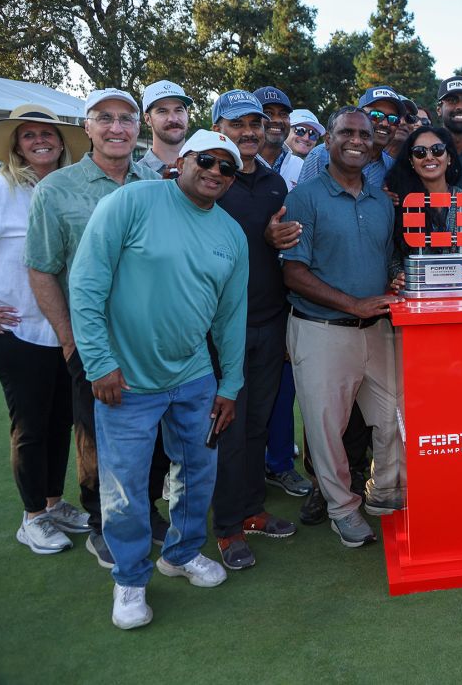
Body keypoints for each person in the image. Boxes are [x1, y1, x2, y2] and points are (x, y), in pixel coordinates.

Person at [69, 129, 249, 629]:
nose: (215, 172)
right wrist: (99, 363)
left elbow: (231, 318)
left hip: (194, 377)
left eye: (227, 168)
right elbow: (86, 282)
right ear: (184, 160)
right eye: (207, 161)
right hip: (124, 380)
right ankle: (129, 580)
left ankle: (182, 552)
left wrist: (228, 386)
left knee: (197, 471)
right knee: (124, 487)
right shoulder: (133, 201)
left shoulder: (231, 235)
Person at [25, 88, 160, 569]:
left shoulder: (153, 181)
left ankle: (145, 511)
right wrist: (68, 340)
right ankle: (103, 523)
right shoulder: (56, 189)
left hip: (152, 338)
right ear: (87, 128)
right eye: (105, 118)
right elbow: (42, 270)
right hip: (93, 340)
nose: (117, 128)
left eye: (126, 119)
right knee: (97, 438)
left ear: (137, 128)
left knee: (152, 434)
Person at [281, 106, 405, 547]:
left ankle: (385, 492)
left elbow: (385, 256)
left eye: (364, 134)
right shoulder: (304, 197)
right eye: (346, 132)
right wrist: (354, 302)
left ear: (374, 144)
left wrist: (395, 276)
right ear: (327, 140)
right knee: (326, 428)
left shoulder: (380, 200)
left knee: (396, 414)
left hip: (377, 329)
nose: (356, 139)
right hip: (321, 330)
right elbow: (293, 274)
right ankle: (342, 510)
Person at [209, 90, 300, 570]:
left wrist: (276, 239)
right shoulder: (207, 176)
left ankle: (249, 511)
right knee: (228, 427)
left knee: (257, 424)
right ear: (218, 127)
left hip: (269, 319)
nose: (248, 131)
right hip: (219, 328)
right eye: (237, 123)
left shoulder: (273, 183)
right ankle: (225, 527)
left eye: (255, 123)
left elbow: (279, 247)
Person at [0, 104, 90, 555]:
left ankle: (53, 502)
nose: (39, 141)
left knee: (59, 420)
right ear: (16, 145)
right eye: (28, 135)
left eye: (46, 133)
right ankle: (31, 516)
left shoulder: (68, 190)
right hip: (17, 331)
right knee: (29, 425)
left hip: (65, 327)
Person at [388, 126, 462, 272]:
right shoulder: (399, 201)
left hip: (459, 289)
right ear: (411, 162)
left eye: (437, 150)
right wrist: (398, 275)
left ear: (449, 157)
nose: (429, 157)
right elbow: (392, 256)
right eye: (420, 152)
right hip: (416, 290)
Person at [296, 87, 402, 192]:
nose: (385, 123)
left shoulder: (392, 167)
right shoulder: (322, 154)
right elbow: (302, 201)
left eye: (393, 119)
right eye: (376, 115)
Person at [138, 80, 192, 177]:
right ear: (147, 119)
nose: (173, 119)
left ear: (187, 114)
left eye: (179, 110)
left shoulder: (206, 169)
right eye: (162, 111)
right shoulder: (136, 176)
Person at [252, 86, 301, 178]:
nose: (277, 120)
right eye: (268, 113)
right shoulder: (237, 163)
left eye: (283, 114)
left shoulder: (300, 167)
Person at [280, 108, 324, 190]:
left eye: (313, 134)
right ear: (286, 130)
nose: (306, 138)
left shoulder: (318, 171)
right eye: (300, 130)